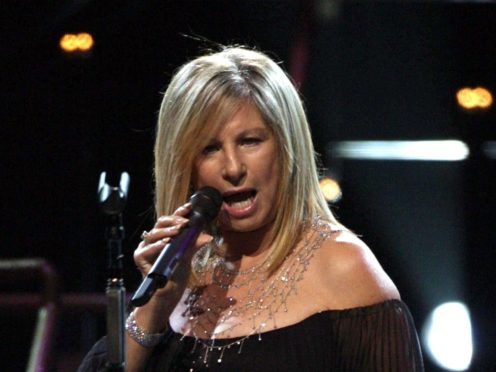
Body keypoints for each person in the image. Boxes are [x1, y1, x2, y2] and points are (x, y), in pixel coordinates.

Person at [79, 46, 424, 371]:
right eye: (209, 148)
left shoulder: (344, 266)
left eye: (250, 141)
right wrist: (154, 306)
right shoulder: (179, 270)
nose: (233, 167)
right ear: (185, 166)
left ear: (287, 148)